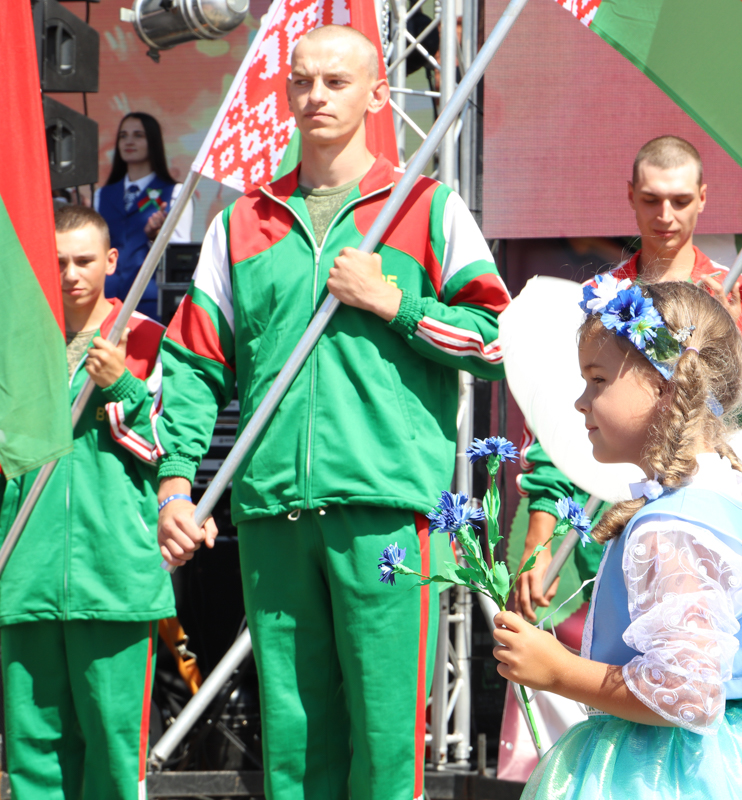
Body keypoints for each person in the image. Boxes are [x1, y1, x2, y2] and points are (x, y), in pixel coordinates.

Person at [153, 25, 509, 800]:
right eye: (303, 80)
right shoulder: (239, 224)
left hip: (386, 511)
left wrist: (395, 303)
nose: (316, 95)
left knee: (385, 744)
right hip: (274, 512)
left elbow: (496, 340)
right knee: (295, 747)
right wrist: (175, 482)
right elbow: (192, 365)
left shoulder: (426, 207)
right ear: (286, 91)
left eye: (337, 82)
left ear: (378, 94)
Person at [492, 281, 742, 799]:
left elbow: (685, 692)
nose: (580, 401)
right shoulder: (715, 500)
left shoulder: (673, 527)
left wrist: (559, 670)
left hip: (675, 772)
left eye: (597, 380)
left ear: (665, 387)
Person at [513, 135, 742, 622]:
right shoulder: (600, 300)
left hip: (709, 524)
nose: (665, 215)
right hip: (608, 525)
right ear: (630, 195)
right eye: (651, 199)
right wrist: (539, 535)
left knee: (693, 658)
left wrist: (737, 351)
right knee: (606, 662)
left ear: (703, 198)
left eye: (680, 200)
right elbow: (559, 419)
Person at [0, 205, 173, 800]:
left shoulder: (147, 337)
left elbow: (167, 453)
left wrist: (121, 385)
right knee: (33, 758)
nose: (71, 274)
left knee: (115, 759)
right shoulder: (16, 342)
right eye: (57, 263)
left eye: (83, 260)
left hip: (115, 579)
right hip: (25, 574)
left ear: (112, 260)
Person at [93, 112, 194, 320]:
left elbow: (180, 257)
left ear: (153, 141)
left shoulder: (175, 192)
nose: (129, 141)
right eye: (123, 136)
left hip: (150, 302)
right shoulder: (102, 195)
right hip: (106, 300)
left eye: (138, 135)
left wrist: (156, 237)